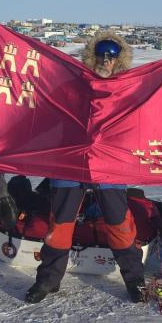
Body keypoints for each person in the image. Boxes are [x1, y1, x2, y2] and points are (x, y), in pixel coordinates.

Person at [25, 31, 145, 304]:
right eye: (100, 54)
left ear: (119, 60)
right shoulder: (72, 86)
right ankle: (47, 281)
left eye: (112, 56)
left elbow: (139, 126)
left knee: (119, 224)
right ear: (92, 56)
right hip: (70, 164)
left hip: (109, 166)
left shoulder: (125, 90)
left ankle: (135, 280)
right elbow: (46, 117)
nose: (105, 60)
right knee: (60, 225)